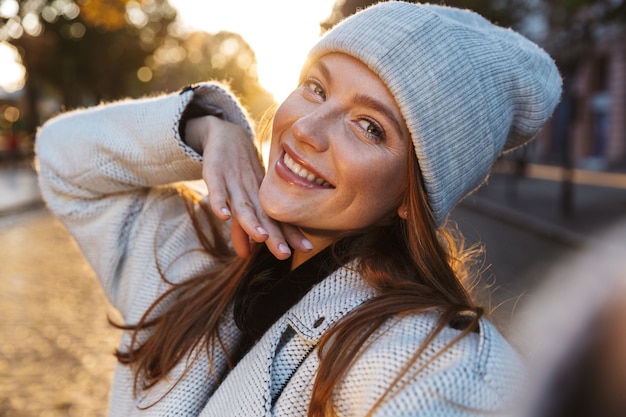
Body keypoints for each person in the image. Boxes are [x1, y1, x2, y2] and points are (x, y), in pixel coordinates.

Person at [35, 2, 561, 416]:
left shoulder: (419, 358)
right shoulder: (189, 243)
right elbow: (62, 158)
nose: (306, 129)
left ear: (411, 194)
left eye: (368, 126)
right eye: (316, 87)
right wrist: (209, 127)